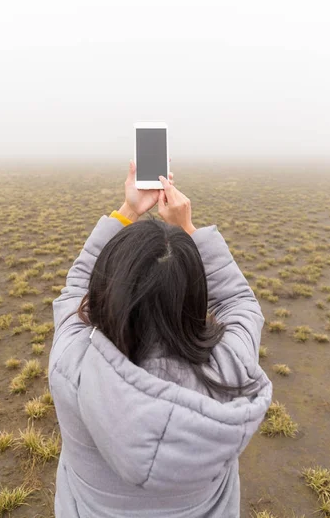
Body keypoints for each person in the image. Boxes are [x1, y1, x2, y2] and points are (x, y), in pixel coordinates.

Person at [49, 160, 273, 518]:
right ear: (196, 297)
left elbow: (74, 289)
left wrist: (128, 210)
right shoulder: (231, 370)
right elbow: (240, 302)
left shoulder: (74, 365)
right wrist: (186, 227)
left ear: (106, 293)